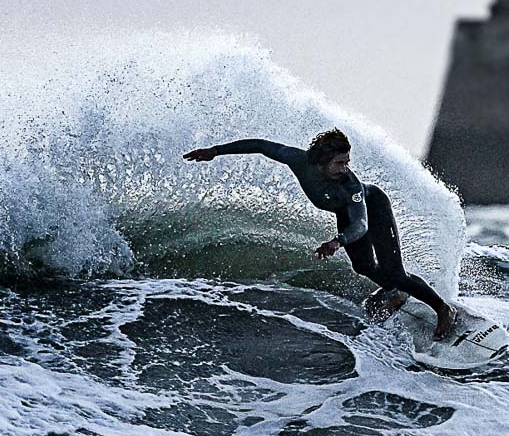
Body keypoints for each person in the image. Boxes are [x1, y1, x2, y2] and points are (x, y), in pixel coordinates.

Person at [183, 128, 457, 340]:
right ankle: (395, 294)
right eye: (339, 163)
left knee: (395, 271)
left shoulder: (351, 186)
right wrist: (216, 151)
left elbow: (360, 225)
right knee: (362, 266)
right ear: (322, 161)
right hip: (344, 212)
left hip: (372, 208)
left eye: (347, 162)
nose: (344, 168)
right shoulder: (298, 160)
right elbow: (261, 146)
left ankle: (442, 308)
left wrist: (338, 241)